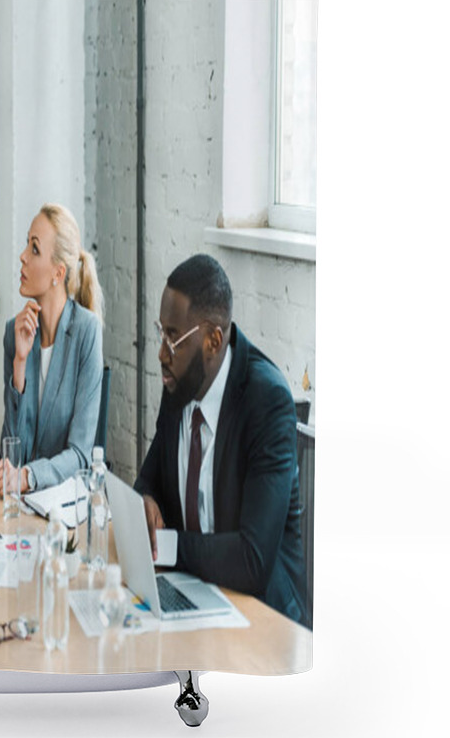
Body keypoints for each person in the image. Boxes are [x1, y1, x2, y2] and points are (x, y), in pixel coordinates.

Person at [134, 254, 308, 627]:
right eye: (159, 332)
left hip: (263, 620)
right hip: (197, 597)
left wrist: (167, 547)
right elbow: (150, 476)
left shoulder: (266, 403)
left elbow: (252, 559)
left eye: (173, 338)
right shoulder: (179, 382)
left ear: (213, 340)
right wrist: (145, 499)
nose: (162, 353)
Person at [0, 204, 103, 495]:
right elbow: (12, 453)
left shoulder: (86, 332)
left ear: (58, 273)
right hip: (22, 504)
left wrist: (27, 477)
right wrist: (20, 365)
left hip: (64, 506)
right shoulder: (16, 334)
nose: (23, 256)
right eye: (27, 244)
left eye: (34, 249)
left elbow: (80, 455)